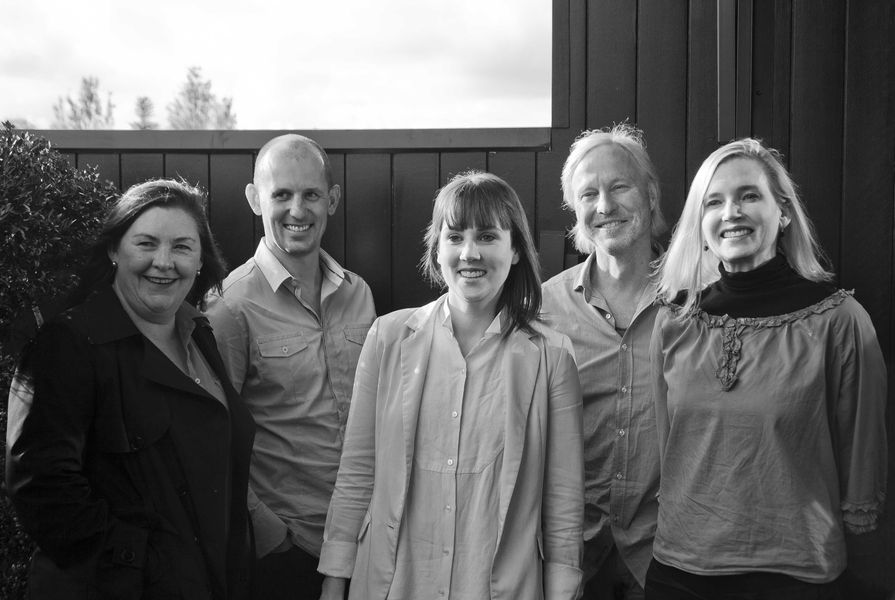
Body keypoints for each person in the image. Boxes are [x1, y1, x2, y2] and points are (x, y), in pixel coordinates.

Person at [317, 171, 585, 600]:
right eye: (455, 236)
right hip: (392, 584)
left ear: (515, 250)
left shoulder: (552, 356)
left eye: (487, 236)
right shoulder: (387, 337)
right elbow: (357, 472)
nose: (469, 252)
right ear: (436, 249)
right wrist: (334, 581)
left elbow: (564, 503)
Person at [648, 138, 888, 599]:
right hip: (680, 570)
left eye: (749, 196)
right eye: (713, 202)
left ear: (783, 213)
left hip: (797, 574)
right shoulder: (673, 323)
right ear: (700, 225)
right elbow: (669, 451)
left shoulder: (840, 321)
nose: (731, 212)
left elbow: (863, 460)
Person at [6, 179, 255, 599]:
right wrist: (145, 565)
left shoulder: (200, 334)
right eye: (146, 243)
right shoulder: (70, 344)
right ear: (113, 251)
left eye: (181, 247)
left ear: (199, 261)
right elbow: (41, 486)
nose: (163, 262)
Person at [204, 134, 376, 599]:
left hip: (364, 540)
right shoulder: (229, 307)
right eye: (281, 194)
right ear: (255, 199)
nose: (297, 210)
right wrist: (267, 532)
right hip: (285, 551)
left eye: (311, 194)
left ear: (332, 200)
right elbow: (211, 437)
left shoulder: (358, 294)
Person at [541, 124, 667, 600]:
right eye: (588, 194)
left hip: (664, 553)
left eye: (619, 187)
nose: (605, 206)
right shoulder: (544, 310)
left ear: (650, 194)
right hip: (571, 557)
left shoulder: (695, 298)